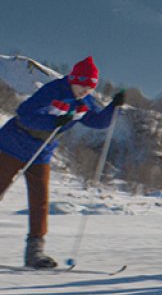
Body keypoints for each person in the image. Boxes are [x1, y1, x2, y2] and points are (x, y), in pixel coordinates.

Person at [0, 57, 124, 269]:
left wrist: (113, 106)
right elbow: (25, 113)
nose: (85, 90)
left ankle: (34, 253)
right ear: (72, 79)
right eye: (82, 85)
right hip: (12, 143)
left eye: (90, 87)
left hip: (41, 151)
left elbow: (98, 122)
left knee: (40, 201)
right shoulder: (53, 90)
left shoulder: (85, 102)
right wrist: (53, 121)